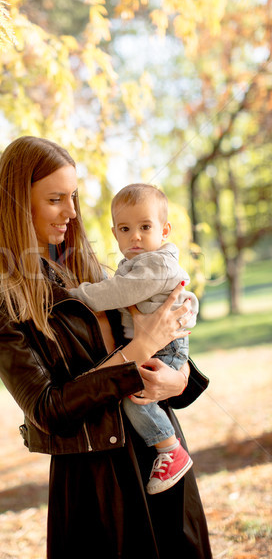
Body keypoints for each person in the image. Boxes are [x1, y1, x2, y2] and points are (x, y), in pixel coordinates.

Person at [0, 136, 212, 559]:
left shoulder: (95, 270)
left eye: (73, 196)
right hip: (96, 478)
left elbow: (162, 346)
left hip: (162, 457)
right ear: (17, 202)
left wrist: (180, 378)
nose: (72, 212)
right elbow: (46, 409)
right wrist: (135, 355)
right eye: (56, 198)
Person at [69, 183, 199, 495]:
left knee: (135, 398)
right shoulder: (137, 263)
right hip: (151, 341)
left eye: (145, 227)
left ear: (164, 230)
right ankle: (167, 447)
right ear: (114, 233)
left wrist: (75, 296)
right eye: (125, 229)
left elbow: (117, 292)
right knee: (136, 394)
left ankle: (170, 449)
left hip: (165, 346)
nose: (135, 236)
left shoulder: (157, 264)